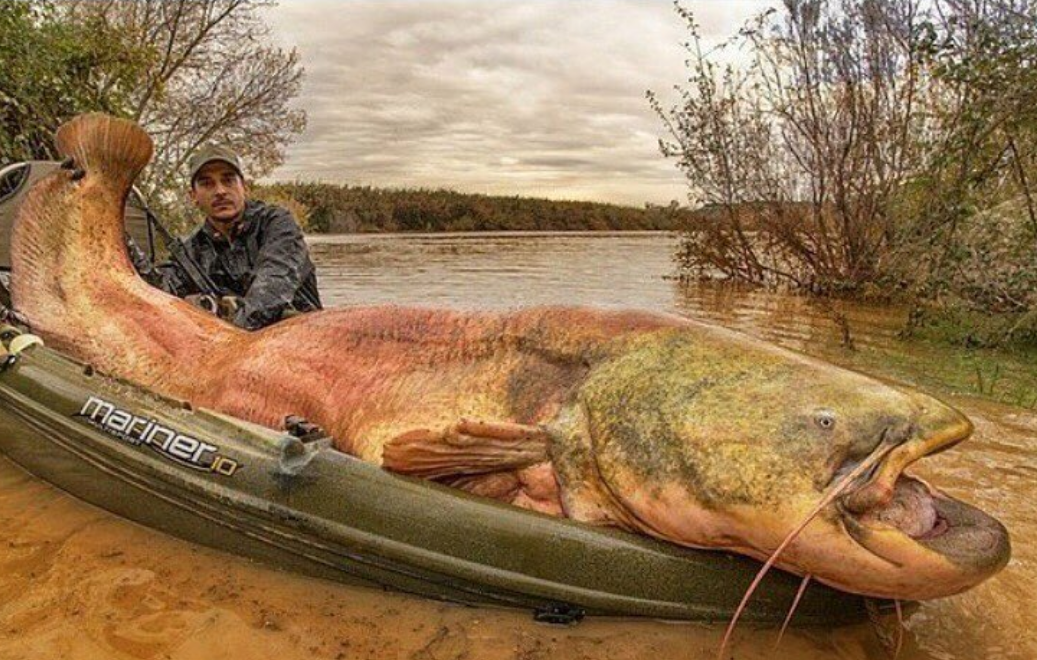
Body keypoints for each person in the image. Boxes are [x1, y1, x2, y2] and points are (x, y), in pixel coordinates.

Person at [131, 145, 322, 330]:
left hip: (303, 340)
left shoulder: (278, 224)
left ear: (244, 187)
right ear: (193, 196)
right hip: (239, 350)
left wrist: (232, 337)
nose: (220, 191)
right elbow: (157, 288)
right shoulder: (191, 251)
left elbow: (272, 289)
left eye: (228, 180)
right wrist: (126, 246)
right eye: (207, 183)